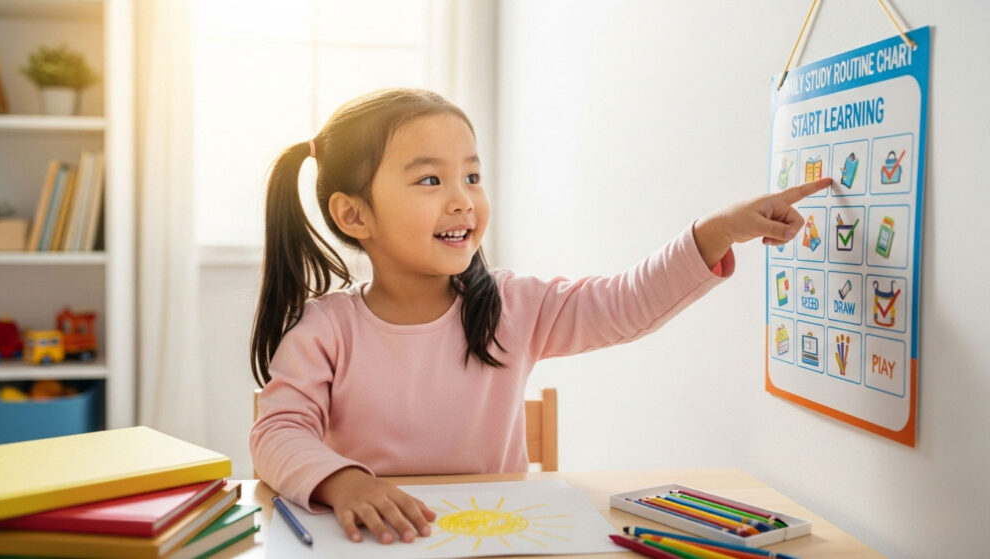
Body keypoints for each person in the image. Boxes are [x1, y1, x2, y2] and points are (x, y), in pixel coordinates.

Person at [249, 87, 831, 545]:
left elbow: (626, 303)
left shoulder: (511, 307)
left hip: (498, 540)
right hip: (374, 542)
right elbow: (277, 433)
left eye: (471, 176)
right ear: (354, 216)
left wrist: (716, 232)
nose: (463, 200)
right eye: (430, 179)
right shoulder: (326, 328)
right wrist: (341, 481)